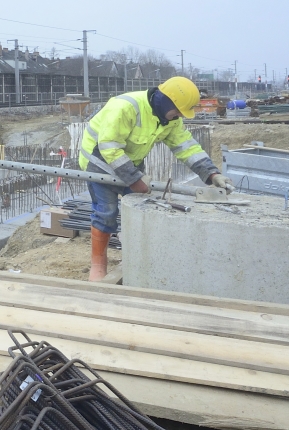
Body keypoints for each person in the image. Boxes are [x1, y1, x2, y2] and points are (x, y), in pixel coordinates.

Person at [79, 77, 233, 282]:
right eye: (178, 110)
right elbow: (109, 146)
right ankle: (98, 265)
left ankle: (134, 258)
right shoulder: (125, 107)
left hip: (129, 163)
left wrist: (212, 173)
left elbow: (186, 147)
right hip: (98, 162)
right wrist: (135, 180)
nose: (179, 116)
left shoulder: (169, 118)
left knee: (137, 210)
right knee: (106, 212)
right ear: (166, 101)